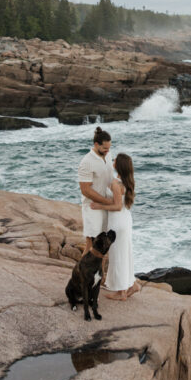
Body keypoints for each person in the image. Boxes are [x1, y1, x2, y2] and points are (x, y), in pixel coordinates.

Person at [96, 152, 140, 300]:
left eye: (115, 160)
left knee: (117, 255)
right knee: (125, 253)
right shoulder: (126, 182)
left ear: (119, 165)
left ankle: (121, 292)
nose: (113, 160)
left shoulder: (116, 184)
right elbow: (120, 203)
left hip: (117, 222)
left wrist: (99, 205)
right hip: (126, 220)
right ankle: (131, 285)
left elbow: (116, 206)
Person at [77, 126, 115, 253]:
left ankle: (101, 273)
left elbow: (111, 178)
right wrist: (105, 202)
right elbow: (85, 190)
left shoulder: (108, 155)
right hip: (93, 207)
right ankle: (81, 273)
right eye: (104, 148)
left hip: (107, 206)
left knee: (104, 246)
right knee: (92, 245)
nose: (107, 150)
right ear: (96, 144)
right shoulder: (86, 162)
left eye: (109, 148)